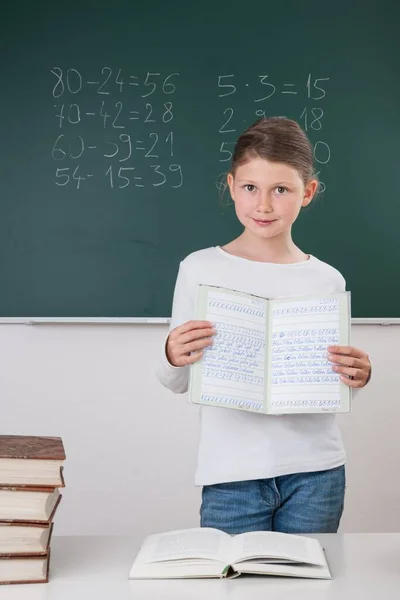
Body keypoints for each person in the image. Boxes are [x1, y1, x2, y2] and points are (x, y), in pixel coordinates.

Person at [156, 117, 371, 534]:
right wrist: (171, 353)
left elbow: (331, 387)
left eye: (282, 190)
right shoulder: (200, 268)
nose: (264, 205)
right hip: (230, 475)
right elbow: (177, 381)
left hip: (316, 472)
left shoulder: (327, 279)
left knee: (306, 587)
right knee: (231, 585)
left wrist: (356, 376)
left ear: (307, 192)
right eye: (251, 188)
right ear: (232, 185)